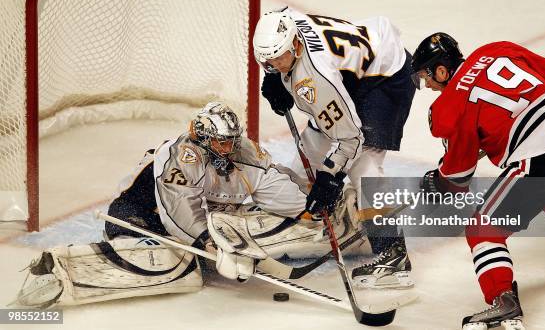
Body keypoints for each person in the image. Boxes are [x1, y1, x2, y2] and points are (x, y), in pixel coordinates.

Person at [14, 102, 361, 308]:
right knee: (181, 268)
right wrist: (210, 246)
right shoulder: (182, 157)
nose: (228, 148)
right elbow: (178, 212)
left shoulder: (239, 150)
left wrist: (314, 203)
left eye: (231, 141)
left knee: (253, 226)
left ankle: (357, 218)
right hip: (140, 217)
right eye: (221, 142)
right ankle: (61, 270)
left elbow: (270, 181)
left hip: (202, 216)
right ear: (204, 137)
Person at [412, 32, 545, 329]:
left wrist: (437, 184)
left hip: (544, 156)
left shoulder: (449, 105)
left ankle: (503, 302)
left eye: (426, 77)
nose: (426, 85)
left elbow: (457, 179)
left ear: (441, 70)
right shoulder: (496, 49)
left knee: (483, 228)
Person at [252, 7, 416, 289]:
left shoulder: (315, 76)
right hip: (356, 66)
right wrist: (274, 77)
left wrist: (330, 180)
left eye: (281, 58)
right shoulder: (285, 27)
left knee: (363, 164)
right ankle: (297, 210)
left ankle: (392, 251)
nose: (276, 64)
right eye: (269, 60)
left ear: (295, 44)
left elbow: (351, 139)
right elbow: (279, 14)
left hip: (388, 74)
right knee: (315, 145)